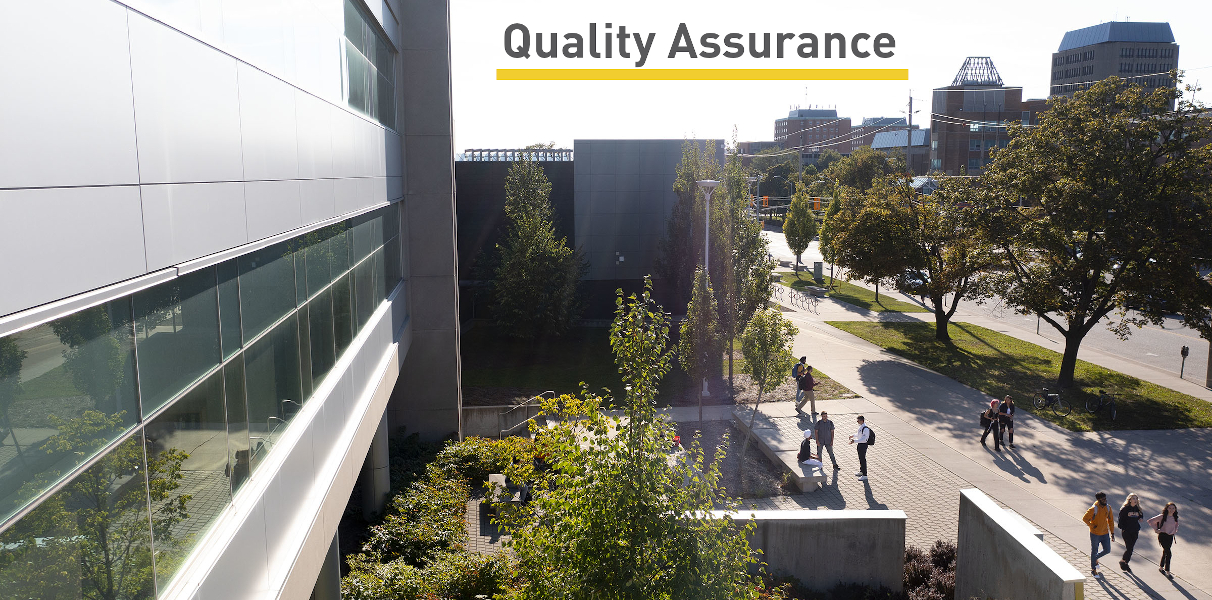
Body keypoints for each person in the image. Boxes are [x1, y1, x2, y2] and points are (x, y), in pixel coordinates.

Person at [1083, 492, 1116, 578]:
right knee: (1094, 550)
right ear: (1098, 500)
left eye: (1105, 498)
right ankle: (1093, 570)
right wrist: (1092, 525)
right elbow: (1085, 518)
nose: (1105, 501)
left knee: (1107, 550)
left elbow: (1111, 521)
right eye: (1103, 499)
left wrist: (1112, 533)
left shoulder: (1108, 508)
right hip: (1095, 534)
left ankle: (1094, 559)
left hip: (1105, 533)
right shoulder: (1094, 509)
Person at [1148, 502, 1180, 577]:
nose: (1171, 510)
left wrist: (1174, 531)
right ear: (1167, 508)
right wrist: (1156, 529)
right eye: (1170, 508)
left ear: (1175, 509)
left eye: (1173, 508)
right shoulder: (1162, 516)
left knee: (1165, 551)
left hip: (1170, 537)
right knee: (1168, 553)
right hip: (1163, 536)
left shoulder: (1175, 517)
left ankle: (1161, 567)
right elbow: (1151, 521)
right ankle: (1168, 571)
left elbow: (1176, 525)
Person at [1117, 493, 1145, 573]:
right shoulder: (1125, 509)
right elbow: (1120, 520)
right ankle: (1125, 563)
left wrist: (1140, 518)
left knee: (1131, 548)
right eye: (1133, 498)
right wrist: (1123, 527)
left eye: (1136, 499)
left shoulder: (1138, 509)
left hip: (1135, 530)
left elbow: (1141, 516)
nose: (1135, 500)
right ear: (1129, 500)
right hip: (1127, 531)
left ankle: (1124, 562)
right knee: (1129, 548)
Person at [849, 415, 871, 481]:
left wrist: (855, 441)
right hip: (860, 445)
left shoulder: (866, 429)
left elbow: (864, 439)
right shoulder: (861, 427)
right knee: (860, 458)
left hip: (863, 445)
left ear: (862, 420)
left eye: (858, 420)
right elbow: (859, 434)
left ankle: (865, 475)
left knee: (863, 459)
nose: (857, 421)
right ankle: (861, 471)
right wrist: (853, 435)